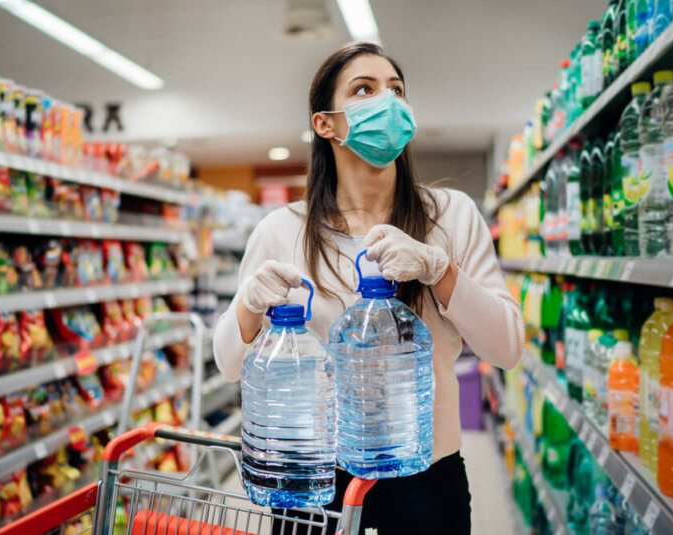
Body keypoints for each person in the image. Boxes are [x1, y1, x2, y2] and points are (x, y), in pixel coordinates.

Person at [213, 41, 524, 534]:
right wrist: (250, 305)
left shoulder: (452, 216)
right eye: (365, 89)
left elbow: (507, 347)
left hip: (427, 478)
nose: (389, 102)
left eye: (397, 90)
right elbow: (228, 363)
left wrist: (439, 270)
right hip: (311, 484)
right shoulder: (281, 231)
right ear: (326, 123)